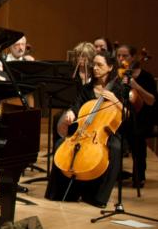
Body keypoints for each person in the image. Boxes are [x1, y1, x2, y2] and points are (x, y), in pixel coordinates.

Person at [46, 53, 132, 207]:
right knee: (60, 144)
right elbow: (76, 105)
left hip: (107, 132)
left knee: (115, 148)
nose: (95, 68)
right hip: (85, 130)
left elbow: (127, 114)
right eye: (94, 65)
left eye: (100, 65)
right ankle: (60, 193)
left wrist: (115, 100)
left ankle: (99, 197)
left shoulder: (119, 89)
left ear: (110, 67)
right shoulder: (87, 88)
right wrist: (71, 113)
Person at [114, 44, 158, 188]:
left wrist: (136, 86)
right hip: (121, 116)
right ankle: (112, 173)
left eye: (125, 56)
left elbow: (151, 101)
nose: (121, 59)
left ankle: (139, 175)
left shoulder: (146, 77)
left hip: (142, 118)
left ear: (133, 57)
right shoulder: (117, 75)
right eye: (118, 55)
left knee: (136, 135)